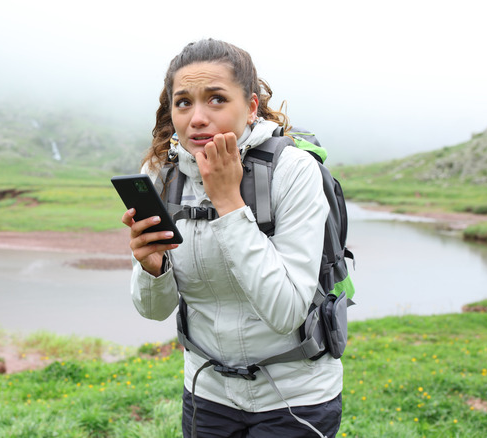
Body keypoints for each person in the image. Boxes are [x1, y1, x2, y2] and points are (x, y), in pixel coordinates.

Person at [121, 39, 342, 437]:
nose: (197, 118)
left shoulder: (293, 171)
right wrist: (151, 270)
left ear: (252, 107)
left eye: (217, 99)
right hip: (207, 393)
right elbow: (154, 311)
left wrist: (228, 202)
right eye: (184, 102)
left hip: (296, 398)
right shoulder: (163, 175)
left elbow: (287, 311)